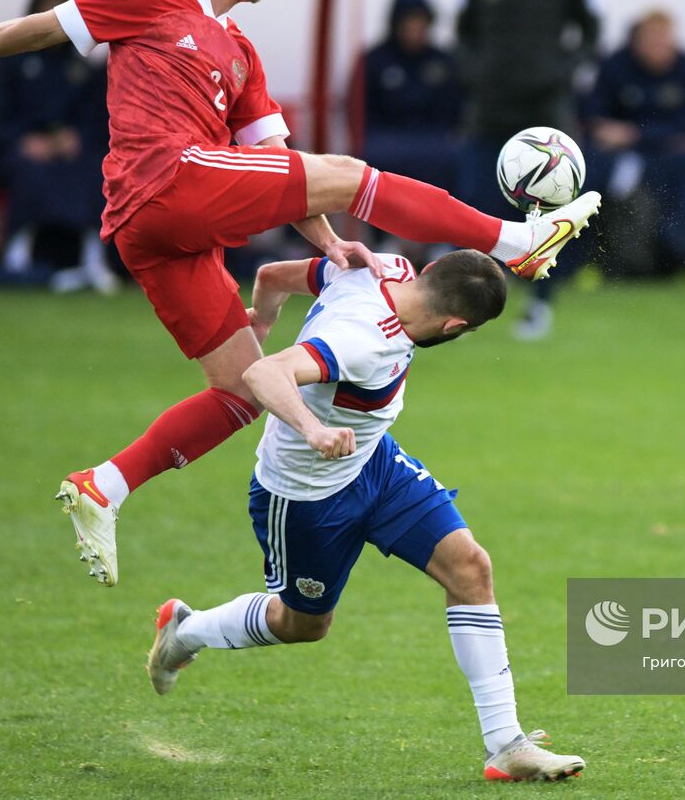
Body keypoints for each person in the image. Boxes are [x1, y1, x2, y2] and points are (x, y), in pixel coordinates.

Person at [0, 0, 600, 587]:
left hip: (159, 234)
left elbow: (279, 169)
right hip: (165, 181)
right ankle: (513, 239)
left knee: (246, 387)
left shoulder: (243, 54)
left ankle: (105, 486)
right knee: (349, 171)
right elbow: (34, 28)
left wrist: (327, 243)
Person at [143, 249, 587, 782]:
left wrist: (260, 316)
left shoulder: (384, 268)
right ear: (455, 326)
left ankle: (506, 745)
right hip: (307, 495)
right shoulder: (363, 343)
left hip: (374, 463)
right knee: (303, 625)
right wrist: (312, 428)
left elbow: (271, 274)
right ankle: (185, 633)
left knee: (470, 567)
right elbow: (264, 372)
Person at [456, 0, 600, 338]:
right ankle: (467, 302)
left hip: (545, 118)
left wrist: (565, 69)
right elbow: (464, 30)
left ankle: (539, 304)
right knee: (475, 205)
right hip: (491, 110)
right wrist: (477, 72)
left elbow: (590, 29)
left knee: (551, 212)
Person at [0, 0, 116, 293]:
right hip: (20, 150)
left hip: (71, 153)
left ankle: (92, 254)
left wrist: (75, 138)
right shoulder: (7, 65)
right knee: (29, 170)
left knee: (97, 170)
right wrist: (22, 141)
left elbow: (99, 122)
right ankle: (19, 250)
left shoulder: (82, 70)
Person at [587, 9, 685, 279]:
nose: (659, 48)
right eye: (652, 40)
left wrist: (637, 134)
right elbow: (596, 121)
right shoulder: (616, 67)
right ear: (637, 40)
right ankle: (615, 262)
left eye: (664, 41)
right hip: (625, 159)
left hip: (674, 159)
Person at [356, 0, 461, 200]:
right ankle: (381, 231)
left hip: (433, 137)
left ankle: (441, 228)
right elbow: (359, 109)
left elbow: (455, 107)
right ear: (396, 24)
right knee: (375, 159)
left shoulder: (442, 61)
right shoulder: (374, 61)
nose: (415, 28)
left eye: (421, 21)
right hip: (385, 137)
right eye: (409, 21)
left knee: (456, 157)